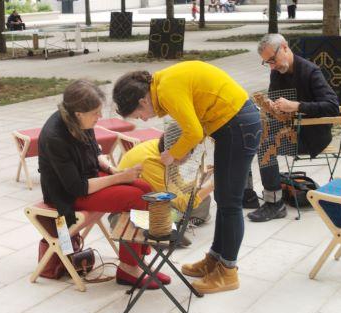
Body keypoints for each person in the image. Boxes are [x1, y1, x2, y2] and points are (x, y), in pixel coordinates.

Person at [112, 61, 261, 294]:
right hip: (232, 126)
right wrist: (181, 151)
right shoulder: (163, 84)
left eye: (138, 114)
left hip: (237, 127)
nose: (143, 119)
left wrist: (172, 154)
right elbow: (196, 117)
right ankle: (215, 259)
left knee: (230, 203)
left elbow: (193, 130)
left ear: (142, 101)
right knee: (223, 199)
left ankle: (228, 272)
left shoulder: (167, 89)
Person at [38, 80, 171, 290]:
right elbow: (77, 188)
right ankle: (129, 268)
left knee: (146, 189)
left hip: (86, 177)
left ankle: (139, 261)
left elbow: (94, 152)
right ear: (79, 113)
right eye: (96, 113)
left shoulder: (78, 120)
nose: (100, 117)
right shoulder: (55, 137)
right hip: (67, 192)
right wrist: (120, 178)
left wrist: (113, 170)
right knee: (137, 198)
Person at [246, 33, 339, 222]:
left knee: (265, 146)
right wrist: (270, 106)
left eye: (273, 60)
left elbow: (332, 106)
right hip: (288, 129)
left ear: (285, 47)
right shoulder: (277, 72)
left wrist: (296, 106)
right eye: (268, 63)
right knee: (250, 135)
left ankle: (275, 204)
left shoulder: (311, 71)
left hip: (312, 135)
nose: (272, 66)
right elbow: (275, 104)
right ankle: (245, 194)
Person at [116, 129, 215, 247]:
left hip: (152, 192)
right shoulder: (151, 163)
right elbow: (182, 203)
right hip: (129, 209)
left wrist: (201, 179)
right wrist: (213, 184)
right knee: (186, 206)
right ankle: (179, 222)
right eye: (188, 152)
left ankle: (180, 221)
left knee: (203, 198)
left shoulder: (164, 151)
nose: (189, 156)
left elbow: (180, 187)